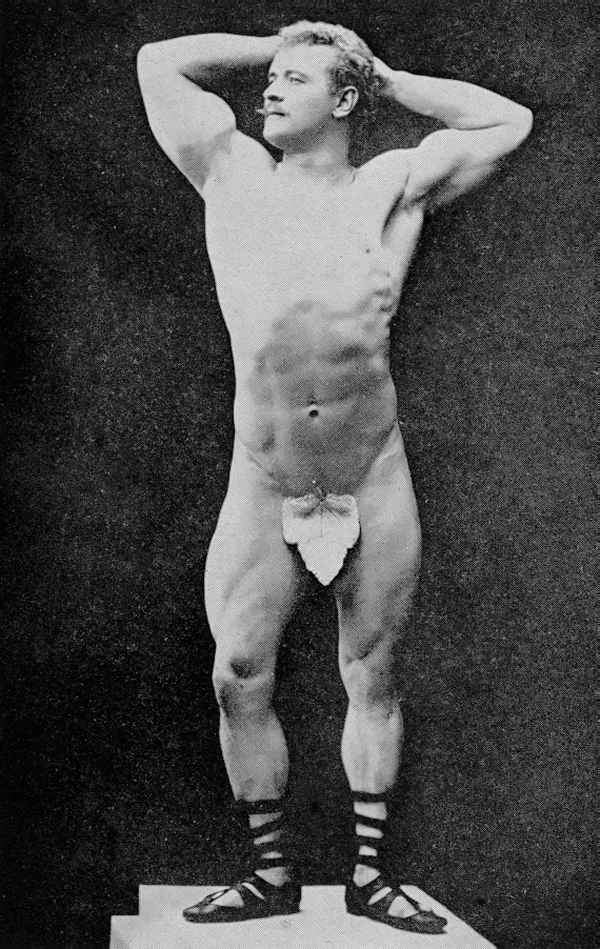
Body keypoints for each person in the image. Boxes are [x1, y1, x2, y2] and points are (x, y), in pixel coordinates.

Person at [137, 20, 532, 933]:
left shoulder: (391, 186)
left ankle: (369, 876)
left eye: (296, 78)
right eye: (269, 77)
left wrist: (386, 76)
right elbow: (159, 62)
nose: (269, 89)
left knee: (372, 672)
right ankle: (269, 872)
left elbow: (506, 123)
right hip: (265, 473)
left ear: (346, 100)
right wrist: (281, 38)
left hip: (370, 468)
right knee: (239, 671)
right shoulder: (230, 173)